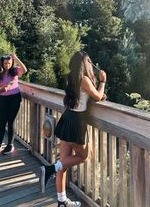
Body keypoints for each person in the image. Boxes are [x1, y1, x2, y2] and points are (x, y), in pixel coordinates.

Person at [40, 51, 106, 207]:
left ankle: (62, 201)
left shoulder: (71, 77)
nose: (91, 64)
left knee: (64, 163)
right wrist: (103, 82)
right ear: (84, 63)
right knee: (83, 157)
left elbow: (88, 95)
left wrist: (96, 92)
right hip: (76, 121)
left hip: (68, 116)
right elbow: (97, 96)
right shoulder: (84, 79)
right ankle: (50, 169)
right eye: (89, 61)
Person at [0, 53, 27, 155]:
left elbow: (24, 70)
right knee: (2, 123)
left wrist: (16, 58)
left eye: (9, 63)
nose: (7, 65)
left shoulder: (15, 70)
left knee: (11, 122)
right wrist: (2, 89)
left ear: (11, 63)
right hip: (3, 99)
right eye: (5, 63)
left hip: (15, 99)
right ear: (2, 63)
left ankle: (10, 145)